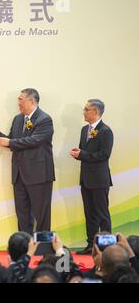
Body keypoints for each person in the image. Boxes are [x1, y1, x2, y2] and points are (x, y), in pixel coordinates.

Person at [0, 88, 55, 234]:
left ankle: (43, 247)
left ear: (32, 101)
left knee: (41, 214)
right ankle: (24, 244)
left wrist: (9, 142)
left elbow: (34, 141)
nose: (18, 103)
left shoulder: (44, 119)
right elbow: (13, 141)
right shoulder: (18, 119)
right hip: (19, 175)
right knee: (22, 214)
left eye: (21, 99)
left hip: (39, 175)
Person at [70, 99, 114, 255]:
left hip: (100, 180)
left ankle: (107, 248)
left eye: (86, 109)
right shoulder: (84, 129)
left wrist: (83, 154)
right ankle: (91, 245)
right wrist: (78, 153)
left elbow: (104, 155)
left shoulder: (106, 131)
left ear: (95, 112)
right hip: (86, 179)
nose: (83, 111)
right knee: (89, 214)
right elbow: (86, 152)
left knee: (102, 214)